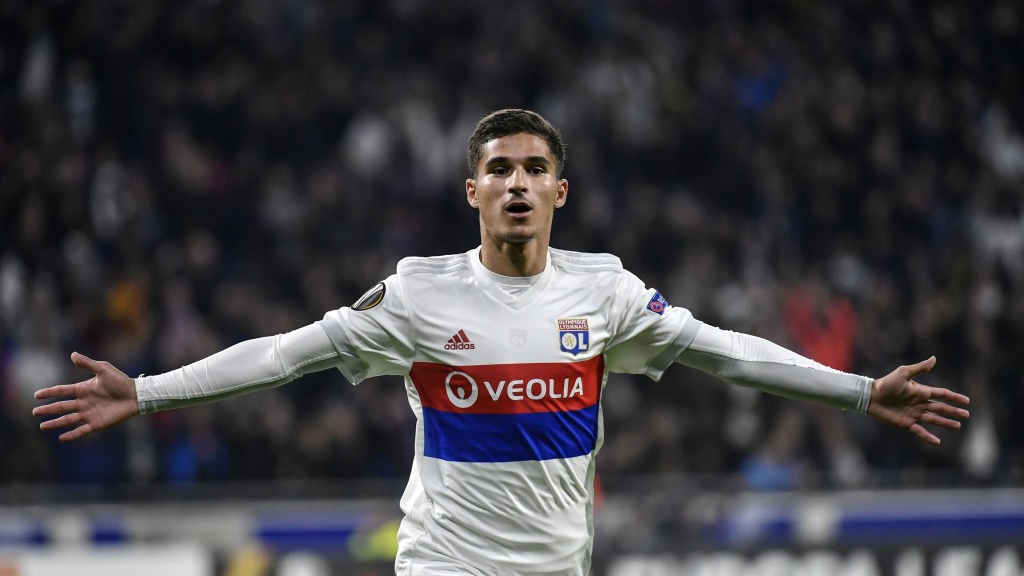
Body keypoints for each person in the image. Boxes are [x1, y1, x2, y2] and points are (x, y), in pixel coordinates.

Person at [34, 109, 969, 575]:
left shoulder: (605, 292)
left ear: (560, 190)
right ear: (471, 190)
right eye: (499, 169)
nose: (516, 182)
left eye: (534, 168)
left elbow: (725, 351)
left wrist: (859, 391)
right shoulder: (418, 292)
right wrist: (147, 390)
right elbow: (285, 354)